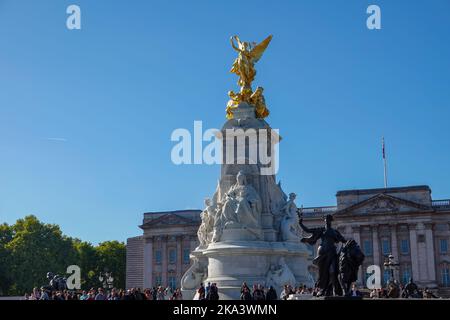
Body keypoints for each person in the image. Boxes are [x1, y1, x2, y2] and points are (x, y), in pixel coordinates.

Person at [299, 214, 346, 296]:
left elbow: (343, 240)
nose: (326, 221)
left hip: (332, 253)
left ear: (331, 221)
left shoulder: (335, 231)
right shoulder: (321, 230)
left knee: (333, 271)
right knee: (323, 272)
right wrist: (300, 223)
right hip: (322, 253)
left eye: (328, 219)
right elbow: (308, 230)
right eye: (325, 219)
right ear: (324, 220)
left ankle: (337, 290)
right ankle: (322, 289)